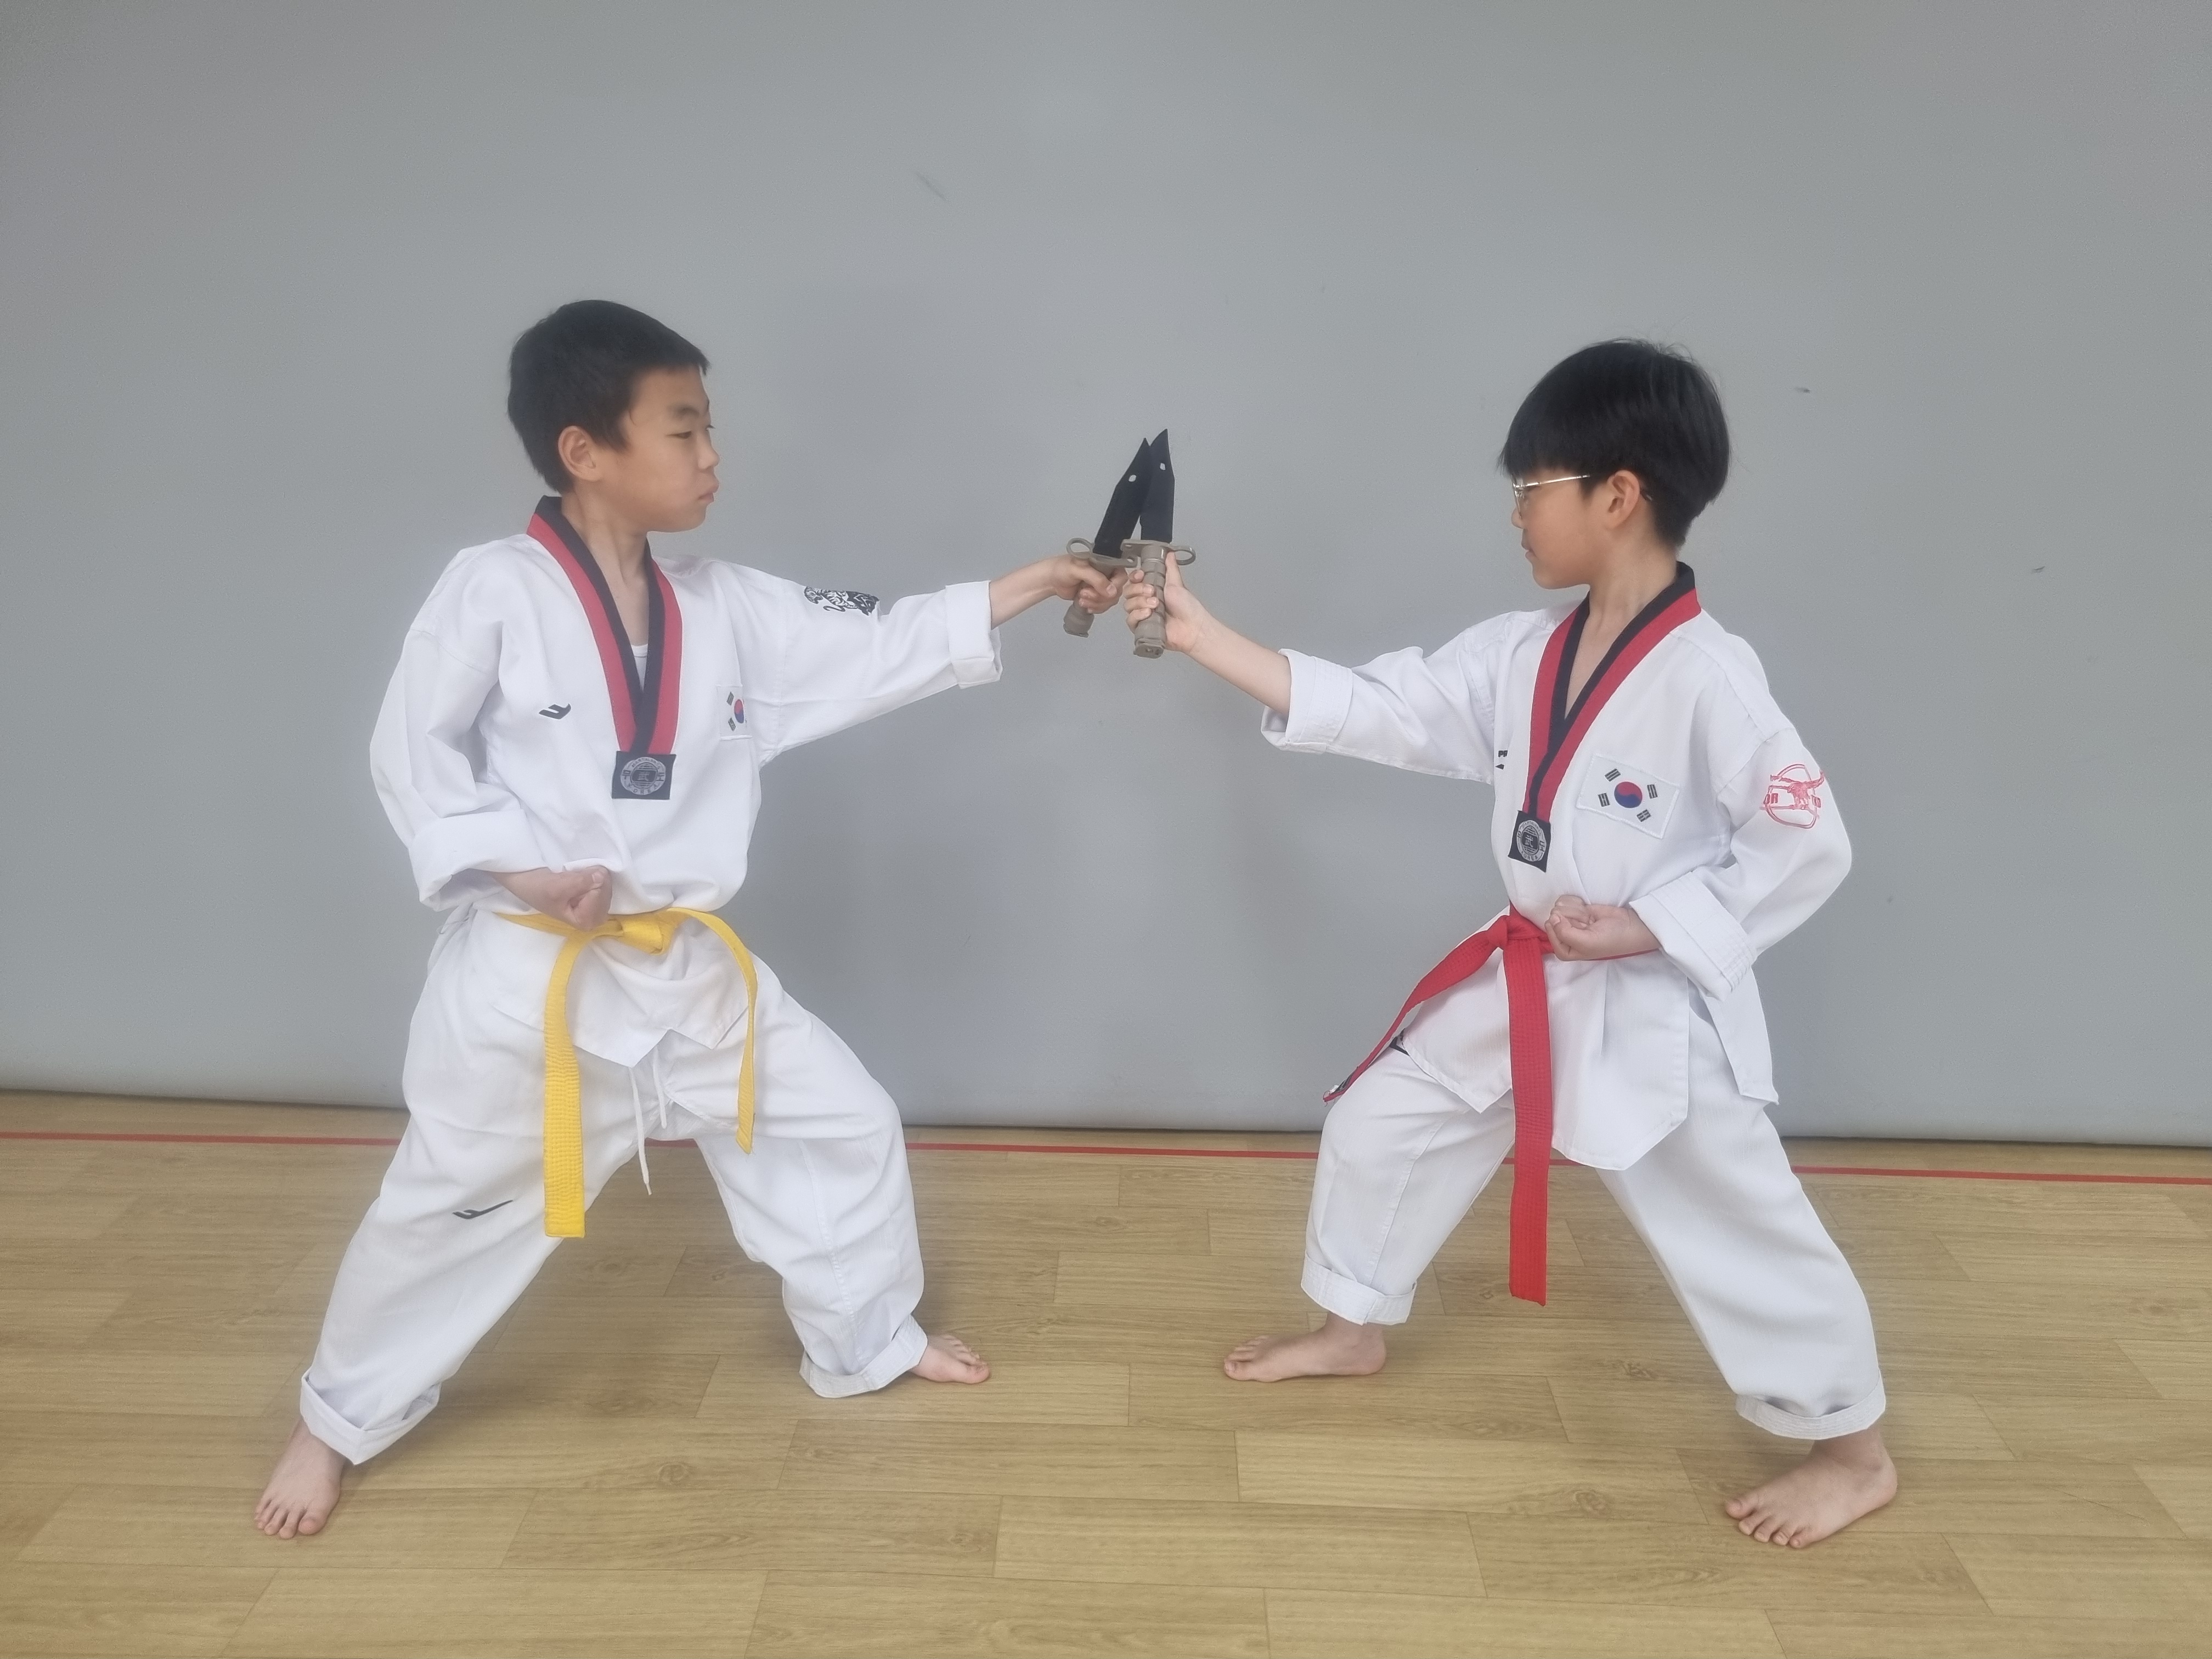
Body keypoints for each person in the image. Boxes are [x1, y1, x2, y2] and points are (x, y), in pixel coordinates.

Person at [255, 299, 1125, 1539]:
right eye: (684, 430)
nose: (713, 458)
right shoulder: (491, 589)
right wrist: (519, 871)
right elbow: (412, 755)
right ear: (584, 449)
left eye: (710, 429)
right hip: (536, 989)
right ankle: (334, 1421)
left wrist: (1033, 582)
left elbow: (878, 643)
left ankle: (867, 1341)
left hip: (689, 973)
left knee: (843, 1125)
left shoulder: (723, 605)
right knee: (445, 1209)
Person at [1121, 340, 1894, 1548]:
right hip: (1531, 969)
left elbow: (1809, 842)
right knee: (1386, 1115)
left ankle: (1853, 1452)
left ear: (1617, 495)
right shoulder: (1523, 653)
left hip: (1650, 1004)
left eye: (1532, 487)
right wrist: (1201, 633)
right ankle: (1353, 1325)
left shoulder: (1711, 678)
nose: (1516, 514)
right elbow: (1380, 708)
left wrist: (1645, 924)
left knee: (1736, 1218)